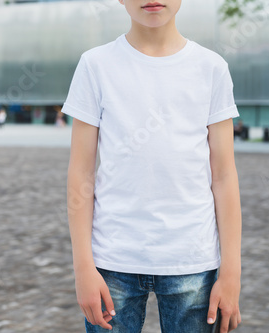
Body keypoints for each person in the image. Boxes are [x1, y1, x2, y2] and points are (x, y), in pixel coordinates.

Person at [62, 1, 242, 332]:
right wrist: (82, 266)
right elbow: (80, 174)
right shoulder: (95, 65)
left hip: (193, 261)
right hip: (112, 261)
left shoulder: (211, 68)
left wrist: (232, 271)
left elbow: (225, 177)